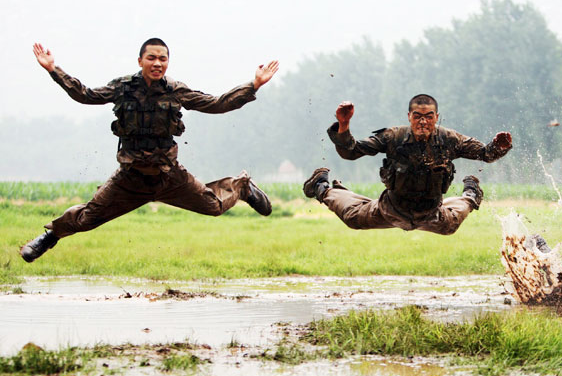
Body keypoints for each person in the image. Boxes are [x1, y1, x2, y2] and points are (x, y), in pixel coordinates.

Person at [20, 39, 279, 262]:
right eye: (152, 58)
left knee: (213, 205)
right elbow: (86, 95)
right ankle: (49, 236)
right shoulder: (123, 87)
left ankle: (242, 187)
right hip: (129, 179)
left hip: (170, 177)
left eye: (163, 59)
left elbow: (216, 104)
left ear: (168, 62)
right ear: (140, 60)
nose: (157, 63)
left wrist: (253, 85)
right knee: (87, 218)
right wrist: (54, 70)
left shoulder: (176, 90)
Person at [303, 94, 512, 235]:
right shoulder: (393, 137)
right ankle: (321, 187)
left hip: (432, 212)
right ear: (409, 117)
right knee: (353, 218)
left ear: (436, 117)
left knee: (451, 225)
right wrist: (344, 125)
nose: (423, 122)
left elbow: (485, 154)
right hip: (391, 209)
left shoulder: (450, 139)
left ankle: (471, 193)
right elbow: (351, 152)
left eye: (428, 117)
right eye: (417, 117)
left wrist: (498, 146)